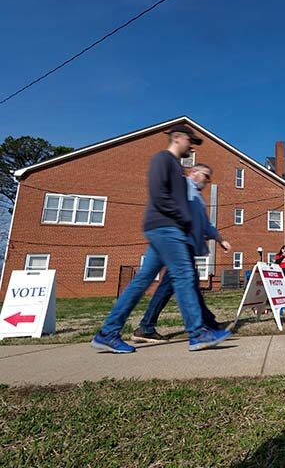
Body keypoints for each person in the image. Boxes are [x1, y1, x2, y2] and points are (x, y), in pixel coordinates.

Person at [91, 125, 231, 353]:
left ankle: (108, 332)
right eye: (190, 140)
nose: (191, 145)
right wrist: (183, 218)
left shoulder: (176, 167)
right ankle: (197, 333)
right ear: (177, 137)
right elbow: (158, 195)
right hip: (166, 228)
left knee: (142, 281)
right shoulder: (163, 160)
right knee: (185, 276)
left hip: (167, 229)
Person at [132, 163, 231, 342]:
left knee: (175, 286)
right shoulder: (183, 186)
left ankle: (147, 326)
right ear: (194, 172)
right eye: (206, 176)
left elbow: (206, 224)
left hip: (187, 246)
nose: (208, 181)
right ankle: (204, 325)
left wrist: (219, 239)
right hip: (179, 245)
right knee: (179, 285)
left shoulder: (198, 197)